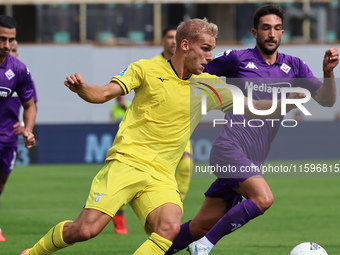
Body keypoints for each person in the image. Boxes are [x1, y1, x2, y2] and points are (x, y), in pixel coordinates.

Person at [21, 18, 299, 255]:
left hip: (161, 175)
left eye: (212, 50)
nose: (210, 57)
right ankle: (32, 252)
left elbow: (254, 108)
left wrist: (287, 102)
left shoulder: (210, 86)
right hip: (126, 163)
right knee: (85, 230)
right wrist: (82, 88)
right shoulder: (145, 69)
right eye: (205, 49)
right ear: (185, 45)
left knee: (169, 228)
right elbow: (103, 93)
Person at [166, 4, 339, 255]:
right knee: (263, 199)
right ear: (255, 32)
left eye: (277, 28)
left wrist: (328, 73)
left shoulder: (295, 66)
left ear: (282, 33)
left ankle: (156, 251)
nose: (272, 33)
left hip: (252, 160)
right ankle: (203, 248)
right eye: (266, 28)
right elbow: (194, 70)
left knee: (199, 226)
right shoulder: (237, 59)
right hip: (229, 148)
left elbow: (326, 100)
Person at [0, 16, 36, 242]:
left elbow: (30, 104)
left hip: (6, 139)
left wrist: (28, 128)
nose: (6, 44)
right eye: (2, 38)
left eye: (11, 39)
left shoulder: (18, 69)